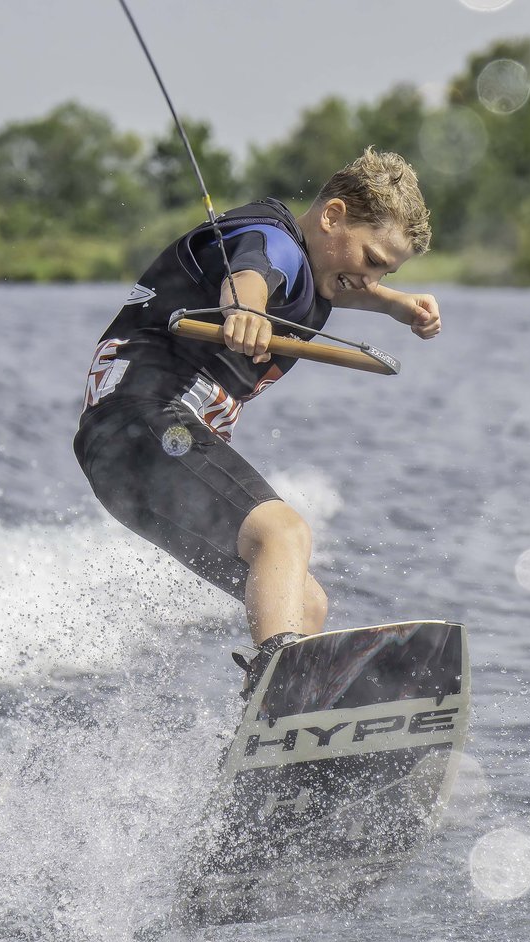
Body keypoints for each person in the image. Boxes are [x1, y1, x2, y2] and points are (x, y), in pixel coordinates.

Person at [74, 148, 440, 693]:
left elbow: (329, 286)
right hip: (140, 424)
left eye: (387, 270)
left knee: (305, 603)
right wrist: (244, 309)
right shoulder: (270, 240)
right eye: (372, 259)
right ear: (332, 216)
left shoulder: (317, 270)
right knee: (284, 533)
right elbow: (250, 276)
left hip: (139, 463)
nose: (372, 276)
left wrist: (395, 304)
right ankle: (282, 697)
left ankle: (263, 757)